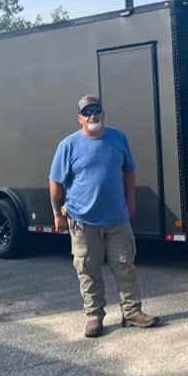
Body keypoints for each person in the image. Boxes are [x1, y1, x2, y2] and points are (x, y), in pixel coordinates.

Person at [49, 95, 158, 338]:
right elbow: (55, 183)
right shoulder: (68, 145)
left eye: (96, 110)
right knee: (88, 270)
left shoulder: (118, 139)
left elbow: (129, 170)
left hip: (117, 219)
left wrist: (131, 201)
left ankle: (131, 313)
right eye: (86, 112)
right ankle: (94, 317)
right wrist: (58, 214)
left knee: (125, 265)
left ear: (103, 113)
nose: (92, 115)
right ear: (79, 118)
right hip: (82, 221)